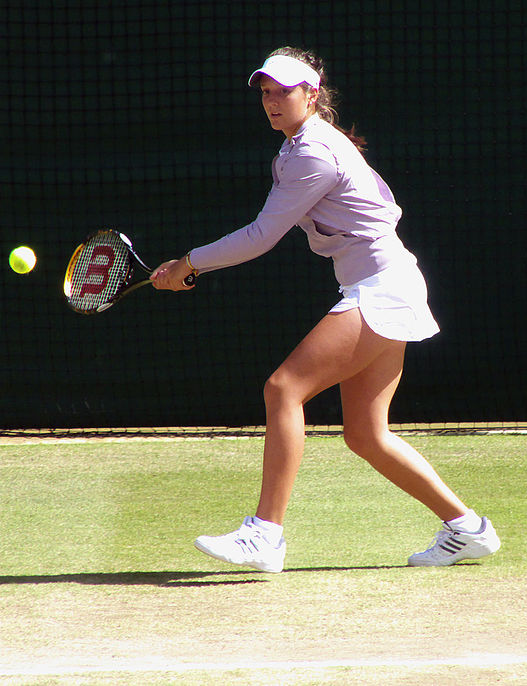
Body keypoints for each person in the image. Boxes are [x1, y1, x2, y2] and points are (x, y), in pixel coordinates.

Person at [151, 46, 500, 571]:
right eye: (265, 92)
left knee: (283, 388)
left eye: (283, 91)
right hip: (388, 283)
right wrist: (188, 264)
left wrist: (189, 262)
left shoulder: (312, 152)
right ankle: (467, 529)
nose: (272, 101)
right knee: (365, 434)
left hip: (383, 287)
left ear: (311, 94)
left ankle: (265, 535)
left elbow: (262, 236)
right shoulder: (300, 148)